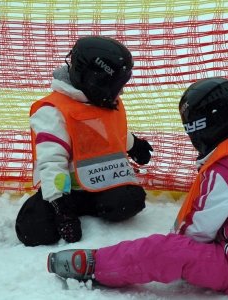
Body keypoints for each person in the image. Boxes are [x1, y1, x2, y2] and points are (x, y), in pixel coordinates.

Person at [46, 77, 228, 295]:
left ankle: (96, 265)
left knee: (166, 251)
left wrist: (173, 247)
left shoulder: (225, 168)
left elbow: (191, 235)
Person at [15, 36, 153, 247]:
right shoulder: (53, 111)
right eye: (117, 85)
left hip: (100, 186)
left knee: (130, 200)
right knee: (33, 229)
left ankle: (93, 207)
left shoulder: (100, 101)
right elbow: (52, 161)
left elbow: (111, 135)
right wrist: (62, 209)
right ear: (96, 81)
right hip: (65, 192)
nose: (121, 91)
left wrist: (134, 145)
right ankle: (61, 209)